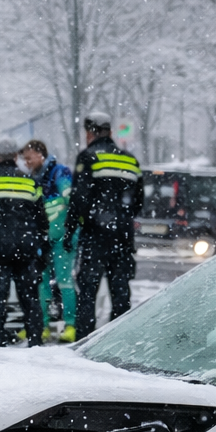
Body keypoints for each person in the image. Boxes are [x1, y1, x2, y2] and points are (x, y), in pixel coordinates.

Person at [63, 112, 144, 339]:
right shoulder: (130, 160)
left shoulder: (88, 157)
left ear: (90, 132)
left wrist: (70, 231)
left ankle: (85, 341)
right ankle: (117, 341)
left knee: (88, 292)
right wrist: (121, 218)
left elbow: (78, 200)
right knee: (120, 293)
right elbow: (139, 202)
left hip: (95, 236)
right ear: (110, 132)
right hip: (123, 237)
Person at [0, 137, 49, 347]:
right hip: (26, 250)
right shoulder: (31, 182)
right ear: (15, 157)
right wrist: (41, 248)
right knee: (30, 299)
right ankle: (35, 342)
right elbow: (42, 219)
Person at [22, 139, 77, 342]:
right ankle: (41, 325)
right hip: (43, 237)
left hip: (62, 236)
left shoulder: (59, 172)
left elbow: (70, 199)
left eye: (29, 158)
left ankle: (71, 325)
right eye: (24, 159)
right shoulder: (32, 178)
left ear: (40, 154)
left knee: (64, 281)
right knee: (41, 282)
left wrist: (70, 231)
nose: (26, 162)